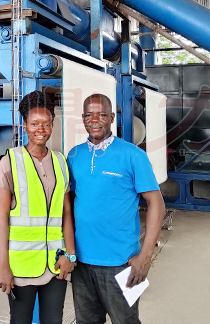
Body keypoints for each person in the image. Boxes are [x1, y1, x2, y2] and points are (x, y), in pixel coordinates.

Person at [68, 94, 165, 324]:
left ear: (112, 117)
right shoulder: (74, 155)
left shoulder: (133, 155)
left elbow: (157, 204)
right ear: (82, 118)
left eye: (102, 114)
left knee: (125, 321)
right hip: (81, 263)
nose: (95, 120)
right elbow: (69, 204)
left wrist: (145, 257)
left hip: (121, 263)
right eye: (89, 115)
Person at [0, 90, 76, 324]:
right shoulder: (10, 162)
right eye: (34, 124)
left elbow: (66, 213)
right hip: (21, 267)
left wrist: (70, 255)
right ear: (25, 125)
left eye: (46, 124)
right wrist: (3, 266)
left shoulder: (61, 162)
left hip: (55, 263)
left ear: (52, 125)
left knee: (53, 320)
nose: (41, 129)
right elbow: (1, 219)